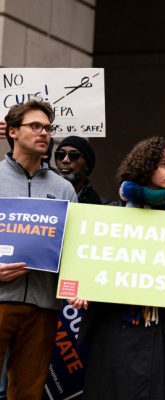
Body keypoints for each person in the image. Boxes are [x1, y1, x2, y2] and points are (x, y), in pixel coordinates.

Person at [76, 137, 165, 400]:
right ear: (145, 167)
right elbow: (94, 261)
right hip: (119, 327)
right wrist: (83, 287)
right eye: (164, 164)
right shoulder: (113, 213)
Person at [0, 100, 77, 399]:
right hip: (1, 298)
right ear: (14, 132)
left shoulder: (63, 189)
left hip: (43, 305)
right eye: (35, 126)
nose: (44, 132)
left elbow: (74, 247)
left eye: (47, 127)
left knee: (28, 393)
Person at [55, 135, 103, 204]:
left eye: (74, 155)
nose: (65, 160)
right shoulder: (42, 194)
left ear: (87, 165)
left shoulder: (99, 205)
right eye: (60, 154)